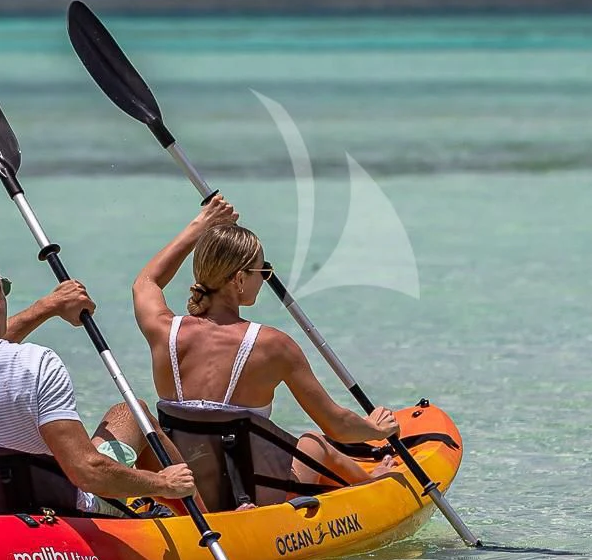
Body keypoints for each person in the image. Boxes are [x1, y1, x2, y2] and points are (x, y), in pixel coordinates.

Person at [123, 195, 401, 511]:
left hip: (186, 498)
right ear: (240, 279)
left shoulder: (163, 331)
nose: (265, 279)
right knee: (315, 442)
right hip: (249, 498)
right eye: (263, 271)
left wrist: (199, 225)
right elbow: (337, 425)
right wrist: (376, 429)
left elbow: (146, 281)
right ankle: (373, 483)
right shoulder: (273, 346)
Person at [0, 239, 194, 520]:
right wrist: (162, 483)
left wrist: (49, 306)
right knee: (133, 413)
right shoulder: (36, 364)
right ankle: (209, 523)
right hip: (64, 504)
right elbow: (86, 472)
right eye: (3, 288)